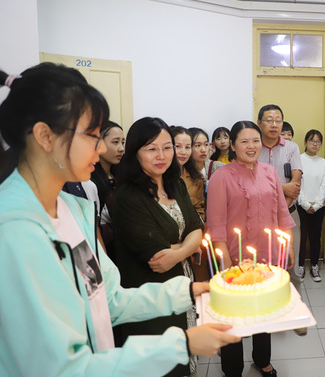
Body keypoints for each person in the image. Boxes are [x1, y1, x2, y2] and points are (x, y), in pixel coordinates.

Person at [0, 64, 239, 376]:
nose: (101, 148)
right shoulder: (15, 231)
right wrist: (181, 344)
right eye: (92, 136)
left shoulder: (72, 209)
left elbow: (108, 298)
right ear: (45, 136)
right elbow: (61, 369)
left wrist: (193, 291)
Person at [112, 117, 206, 376]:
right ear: (135, 152)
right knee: (161, 362)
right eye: (151, 149)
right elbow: (157, 257)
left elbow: (196, 228)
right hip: (150, 295)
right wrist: (189, 246)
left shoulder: (175, 183)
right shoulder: (127, 196)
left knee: (183, 355)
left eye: (167, 147)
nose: (161, 156)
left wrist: (179, 251)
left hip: (182, 284)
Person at [207, 121, 295, 377]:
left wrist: (288, 243)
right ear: (233, 146)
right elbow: (216, 224)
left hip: (267, 255)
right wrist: (225, 261)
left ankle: (262, 358)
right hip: (234, 258)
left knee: (263, 309)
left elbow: (282, 212)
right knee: (233, 314)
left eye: (255, 140)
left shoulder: (270, 172)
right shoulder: (220, 176)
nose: (251, 146)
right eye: (244, 141)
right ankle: (233, 367)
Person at [256, 104, 306, 337]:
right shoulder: (253, 146)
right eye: (269, 120)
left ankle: (295, 314)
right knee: (263, 265)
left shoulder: (291, 148)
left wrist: (281, 207)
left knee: (290, 266)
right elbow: (253, 184)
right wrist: (281, 187)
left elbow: (295, 185)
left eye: (278, 120)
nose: (274, 124)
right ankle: (267, 311)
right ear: (259, 123)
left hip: (288, 213)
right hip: (259, 217)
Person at [297, 129, 325, 282]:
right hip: (301, 206)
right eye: (312, 141)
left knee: (316, 237)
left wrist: (316, 205)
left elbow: (324, 185)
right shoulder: (298, 160)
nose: (315, 144)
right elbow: (297, 184)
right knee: (301, 237)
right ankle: (300, 266)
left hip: (318, 207)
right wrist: (304, 204)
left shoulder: (323, 163)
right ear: (305, 142)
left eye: (318, 142)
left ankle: (315, 266)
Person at [90, 121, 125, 260]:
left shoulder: (121, 175)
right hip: (105, 252)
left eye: (123, 142)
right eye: (115, 142)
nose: (121, 148)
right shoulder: (90, 180)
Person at [171, 126, 205, 222]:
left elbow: (199, 210)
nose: (183, 152)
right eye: (178, 146)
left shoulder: (197, 179)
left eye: (187, 147)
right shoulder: (158, 176)